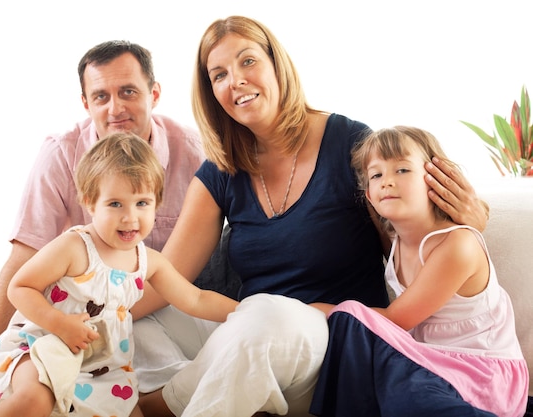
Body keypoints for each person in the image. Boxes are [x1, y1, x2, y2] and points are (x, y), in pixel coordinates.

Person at [133, 15, 491, 417]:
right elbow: (168, 281)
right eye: (219, 75)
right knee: (138, 323)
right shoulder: (221, 170)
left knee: (267, 314)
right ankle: (218, 384)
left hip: (333, 344)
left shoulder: (351, 142)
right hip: (250, 335)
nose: (235, 81)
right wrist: (81, 316)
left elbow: (409, 240)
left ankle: (158, 407)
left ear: (276, 64)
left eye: (248, 61)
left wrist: (470, 219)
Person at [0, 40, 215, 400]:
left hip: (158, 298)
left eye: (128, 91)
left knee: (191, 382)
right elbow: (23, 262)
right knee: (61, 388)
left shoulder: (194, 151)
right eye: (101, 96)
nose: (115, 108)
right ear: (86, 103)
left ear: (154, 94)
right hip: (81, 313)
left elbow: (185, 278)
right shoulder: (60, 154)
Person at [0, 133, 238, 417]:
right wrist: (61, 323)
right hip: (43, 343)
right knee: (35, 401)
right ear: (90, 203)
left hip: (100, 366)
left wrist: (246, 310)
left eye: (142, 203)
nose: (130, 217)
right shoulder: (75, 247)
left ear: (157, 202)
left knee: (131, 412)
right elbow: (20, 287)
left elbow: (196, 299)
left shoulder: (148, 261)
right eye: (115, 204)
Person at [308, 126, 528, 417]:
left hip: (483, 376)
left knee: (351, 319)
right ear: (370, 197)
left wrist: (309, 309)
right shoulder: (396, 244)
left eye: (401, 170)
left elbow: (396, 320)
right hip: (431, 364)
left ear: (435, 180)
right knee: (390, 382)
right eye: (377, 175)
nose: (387, 181)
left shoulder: (457, 244)